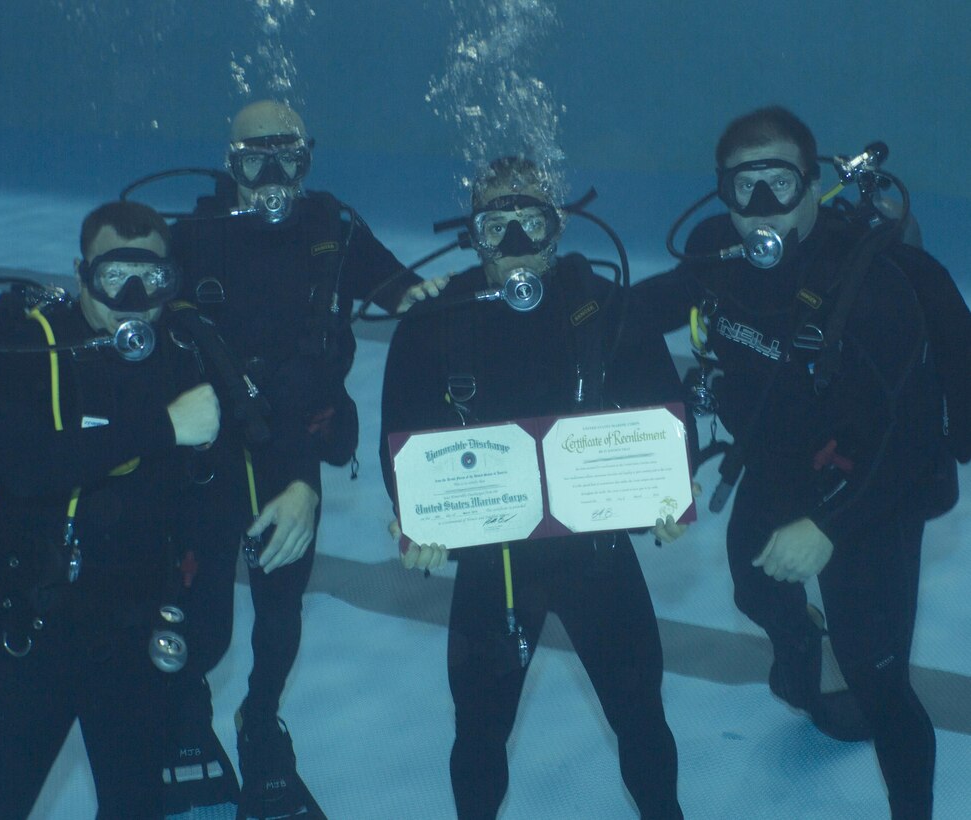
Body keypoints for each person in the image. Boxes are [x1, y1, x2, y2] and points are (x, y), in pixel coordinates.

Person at [634, 106, 946, 818]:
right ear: (721, 191)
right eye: (744, 188)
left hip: (870, 489)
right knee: (752, 589)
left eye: (779, 182)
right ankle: (802, 662)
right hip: (776, 468)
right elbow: (634, 315)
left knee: (879, 682)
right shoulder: (719, 256)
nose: (761, 208)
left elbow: (913, 438)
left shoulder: (868, 280)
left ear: (814, 185)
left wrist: (829, 525)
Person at [380, 157, 687, 819]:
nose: (516, 244)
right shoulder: (434, 322)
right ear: (472, 233)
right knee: (479, 729)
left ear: (560, 226)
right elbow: (400, 439)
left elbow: (664, 416)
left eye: (531, 222)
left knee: (640, 716)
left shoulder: (605, 307)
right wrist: (410, 521)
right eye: (498, 226)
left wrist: (667, 496)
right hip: (494, 567)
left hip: (598, 554)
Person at [169, 99, 444, 820]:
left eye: (284, 156)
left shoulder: (332, 226)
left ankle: (260, 716)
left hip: (293, 453)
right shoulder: (196, 235)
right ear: (230, 165)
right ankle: (185, 709)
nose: (270, 174)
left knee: (279, 604)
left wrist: (441, 299)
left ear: (306, 159)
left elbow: (400, 288)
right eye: (252, 159)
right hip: (210, 454)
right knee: (203, 616)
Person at [0, 201, 222, 819]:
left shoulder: (183, 354)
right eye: (115, 275)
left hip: (132, 637)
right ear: (81, 272)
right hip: (29, 631)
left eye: (152, 277)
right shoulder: (25, 351)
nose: (134, 294)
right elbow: (32, 465)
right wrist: (165, 427)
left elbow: (219, 490)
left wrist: (295, 491)